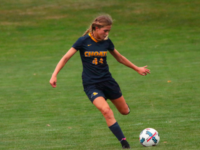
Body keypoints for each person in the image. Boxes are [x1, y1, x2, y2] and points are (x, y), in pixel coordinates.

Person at [49, 14, 150, 149]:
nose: (107, 33)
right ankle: (124, 143)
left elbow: (120, 58)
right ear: (96, 28)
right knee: (106, 111)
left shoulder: (107, 42)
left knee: (124, 111)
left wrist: (137, 68)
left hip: (108, 82)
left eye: (108, 31)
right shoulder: (83, 41)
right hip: (91, 84)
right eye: (105, 30)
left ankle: (119, 104)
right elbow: (65, 57)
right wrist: (54, 75)